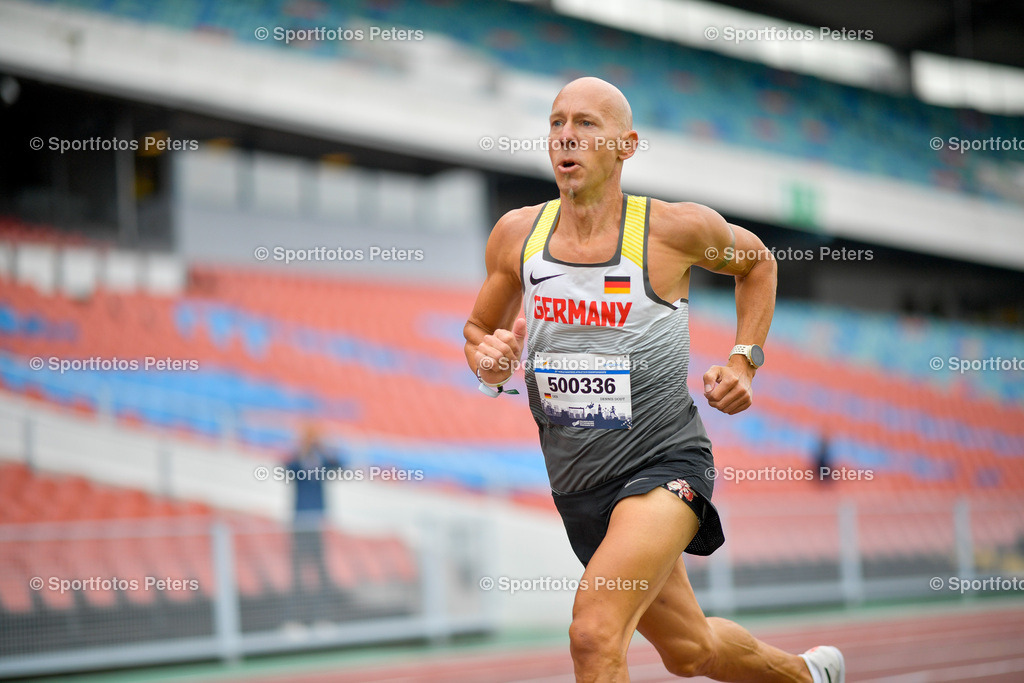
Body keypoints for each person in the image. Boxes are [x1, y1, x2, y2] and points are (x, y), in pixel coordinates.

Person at [464, 77, 844, 682]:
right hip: (579, 486)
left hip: (663, 463)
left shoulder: (673, 230)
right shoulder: (517, 235)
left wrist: (745, 360)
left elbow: (759, 264)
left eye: (587, 123)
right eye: (558, 122)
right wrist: (487, 358)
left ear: (627, 145)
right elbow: (478, 330)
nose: (567, 135)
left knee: (593, 633)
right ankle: (808, 676)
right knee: (691, 651)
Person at [285, 423, 346, 624]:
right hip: (300, 522)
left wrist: (324, 448)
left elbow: (341, 465)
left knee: (321, 572)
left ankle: (323, 617)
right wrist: (302, 449)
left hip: (317, 523)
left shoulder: (322, 461)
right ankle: (294, 619)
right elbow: (287, 467)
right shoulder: (298, 462)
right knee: (297, 573)